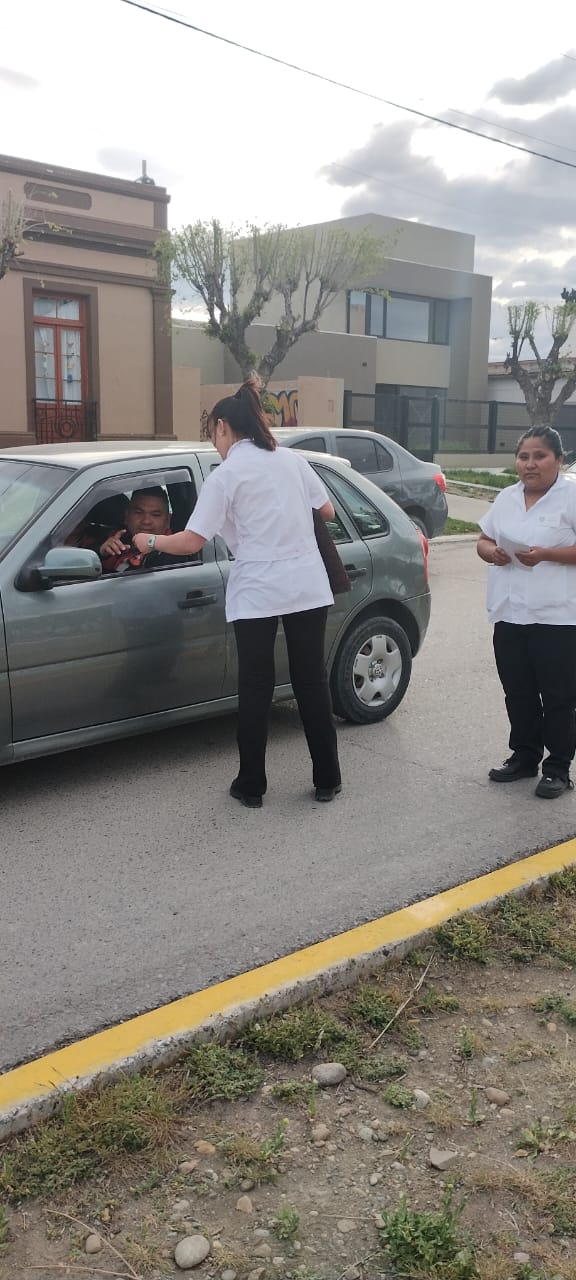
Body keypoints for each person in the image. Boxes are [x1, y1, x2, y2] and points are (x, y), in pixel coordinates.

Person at [132, 380, 342, 808]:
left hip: (258, 591)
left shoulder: (226, 476)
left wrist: (148, 542)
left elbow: (191, 541)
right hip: (306, 585)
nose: (215, 443)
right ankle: (327, 779)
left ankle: (252, 786)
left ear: (224, 427)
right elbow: (327, 511)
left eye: (213, 433)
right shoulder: (292, 460)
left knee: (256, 687)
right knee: (311, 682)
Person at [477, 425, 576, 799]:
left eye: (540, 456)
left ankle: (558, 768)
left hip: (558, 617)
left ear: (559, 460)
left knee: (558, 695)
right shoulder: (506, 497)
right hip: (509, 612)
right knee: (517, 691)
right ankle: (524, 756)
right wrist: (492, 552)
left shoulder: (570, 497)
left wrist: (546, 554)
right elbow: (484, 539)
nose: (530, 464)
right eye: (523, 457)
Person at [99, 488, 173, 573]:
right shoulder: (118, 540)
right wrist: (101, 553)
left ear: (168, 520)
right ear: (126, 516)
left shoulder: (172, 554)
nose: (146, 521)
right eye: (139, 512)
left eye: (155, 515)